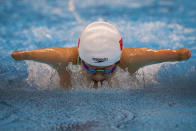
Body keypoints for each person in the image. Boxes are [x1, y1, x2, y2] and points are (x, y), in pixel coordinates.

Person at [11, 21, 191, 88]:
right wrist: (21, 55)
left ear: (117, 61)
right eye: (90, 67)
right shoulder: (64, 60)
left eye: (107, 70)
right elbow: (33, 55)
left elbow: (169, 55)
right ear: (81, 58)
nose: (98, 76)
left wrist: (179, 55)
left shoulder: (131, 60)